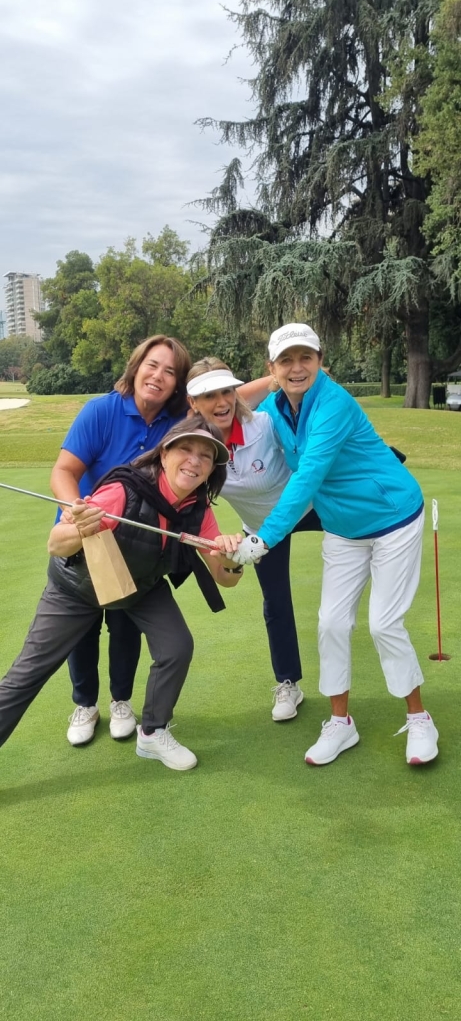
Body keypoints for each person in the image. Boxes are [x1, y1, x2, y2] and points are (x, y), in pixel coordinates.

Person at [227, 322, 438, 767]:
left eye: (306, 358)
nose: (297, 368)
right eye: (286, 360)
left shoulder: (334, 403)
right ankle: (341, 723)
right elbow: (227, 407)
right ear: (272, 368)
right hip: (343, 529)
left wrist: (262, 539)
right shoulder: (274, 408)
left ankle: (419, 718)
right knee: (331, 624)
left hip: (393, 517)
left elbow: (308, 476)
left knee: (384, 623)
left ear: (321, 362)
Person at [0, 417, 243, 771]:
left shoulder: (198, 509)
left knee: (176, 647)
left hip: (140, 586)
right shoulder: (122, 492)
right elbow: (56, 544)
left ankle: (152, 733)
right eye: (186, 449)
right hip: (76, 588)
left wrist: (232, 558)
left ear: (211, 469)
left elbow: (224, 578)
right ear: (164, 454)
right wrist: (80, 527)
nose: (195, 460)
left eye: (206, 456)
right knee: (28, 673)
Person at [50, 334, 191, 746]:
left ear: (177, 383)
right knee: (83, 627)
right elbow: (64, 470)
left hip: (133, 547)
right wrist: (75, 510)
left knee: (125, 624)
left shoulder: (176, 423)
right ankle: (85, 704)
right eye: (152, 365)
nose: (158, 376)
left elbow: (223, 398)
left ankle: (121, 701)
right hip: (83, 536)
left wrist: (274, 381)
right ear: (136, 366)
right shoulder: (101, 411)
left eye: (170, 372)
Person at [187, 357, 322, 722]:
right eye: (209, 395)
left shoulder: (264, 424)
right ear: (193, 403)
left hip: (311, 508)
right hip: (262, 529)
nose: (221, 402)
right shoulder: (193, 449)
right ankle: (289, 683)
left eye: (227, 392)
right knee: (275, 601)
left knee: (364, 533)